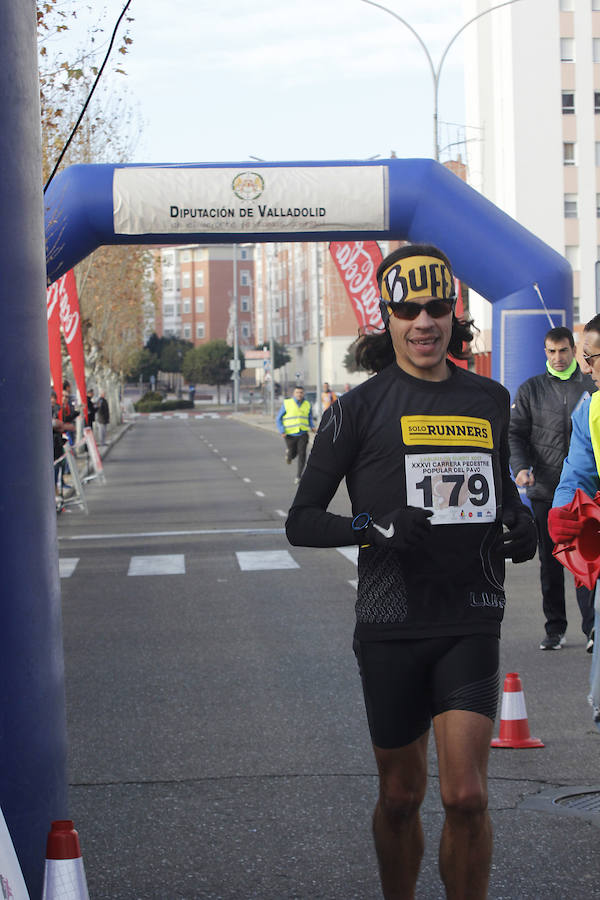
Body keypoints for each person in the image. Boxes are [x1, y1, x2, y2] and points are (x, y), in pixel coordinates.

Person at [286, 244, 537, 900]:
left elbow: (498, 494)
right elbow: (302, 519)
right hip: (391, 625)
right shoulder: (355, 409)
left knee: (466, 796)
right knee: (401, 796)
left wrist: (520, 521)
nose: (423, 322)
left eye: (436, 307)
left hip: (470, 616)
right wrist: (369, 528)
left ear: (454, 314)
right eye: (408, 309)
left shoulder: (488, 397)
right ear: (387, 318)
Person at [509, 326, 595, 651]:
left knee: (587, 561)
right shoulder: (530, 389)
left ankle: (592, 629)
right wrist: (519, 468)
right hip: (545, 491)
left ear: (573, 350)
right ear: (545, 352)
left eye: (562, 350)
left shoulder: (590, 386)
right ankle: (555, 628)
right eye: (550, 351)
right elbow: (514, 433)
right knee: (550, 563)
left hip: (584, 493)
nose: (557, 358)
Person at [549, 314, 600, 727]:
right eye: (585, 357)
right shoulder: (592, 411)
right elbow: (577, 473)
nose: (586, 367)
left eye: (593, 357)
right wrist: (562, 511)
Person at [276, 386, 316, 484]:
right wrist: (282, 431)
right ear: (294, 394)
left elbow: (309, 417)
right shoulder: (287, 403)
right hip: (289, 434)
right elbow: (278, 418)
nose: (299, 394)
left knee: (302, 454)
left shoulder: (307, 404)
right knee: (292, 453)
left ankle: (298, 476)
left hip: (303, 433)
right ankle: (289, 455)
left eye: (301, 392)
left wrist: (312, 426)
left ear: (303, 394)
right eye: (297, 392)